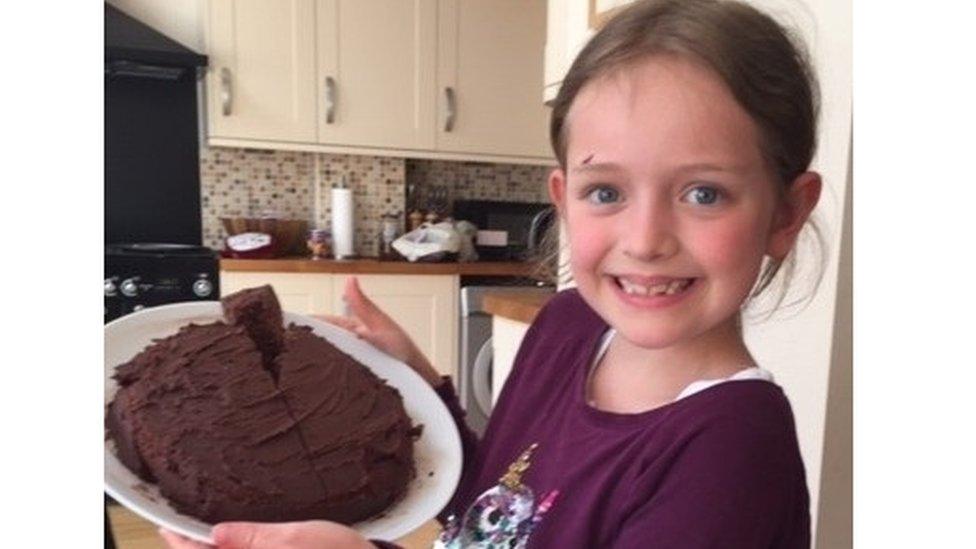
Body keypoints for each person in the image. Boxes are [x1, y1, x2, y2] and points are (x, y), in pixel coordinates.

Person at [162, 0, 824, 546]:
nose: (646, 240)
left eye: (703, 193)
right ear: (563, 199)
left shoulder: (732, 453)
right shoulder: (568, 326)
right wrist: (424, 385)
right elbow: (495, 508)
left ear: (785, 214)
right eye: (606, 192)